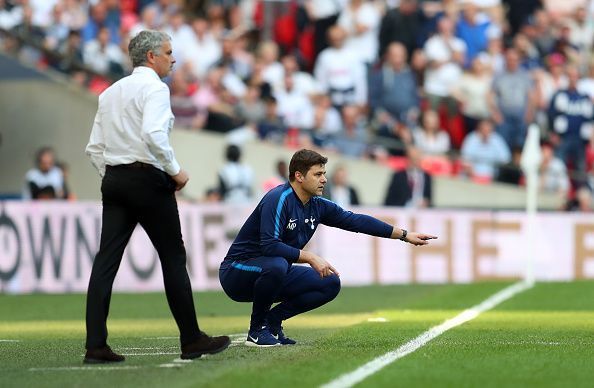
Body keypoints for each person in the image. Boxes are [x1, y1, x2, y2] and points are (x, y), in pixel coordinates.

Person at [84, 30, 230, 364]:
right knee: (173, 258)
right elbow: (152, 134)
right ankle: (191, 339)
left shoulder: (109, 92)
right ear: (151, 56)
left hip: (116, 178)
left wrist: (115, 177)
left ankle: (95, 345)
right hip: (148, 179)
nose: (173, 58)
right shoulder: (155, 89)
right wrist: (175, 170)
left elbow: (94, 148)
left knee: (105, 261)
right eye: (168, 52)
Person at [218, 149, 437, 347]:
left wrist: (405, 235)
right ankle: (257, 331)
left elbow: (356, 221)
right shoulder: (278, 198)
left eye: (324, 173)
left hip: (274, 270)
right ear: (299, 176)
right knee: (276, 265)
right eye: (318, 174)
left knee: (329, 282)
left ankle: (273, 321)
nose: (324, 179)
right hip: (237, 272)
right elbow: (270, 245)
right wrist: (311, 257)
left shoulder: (317, 205)